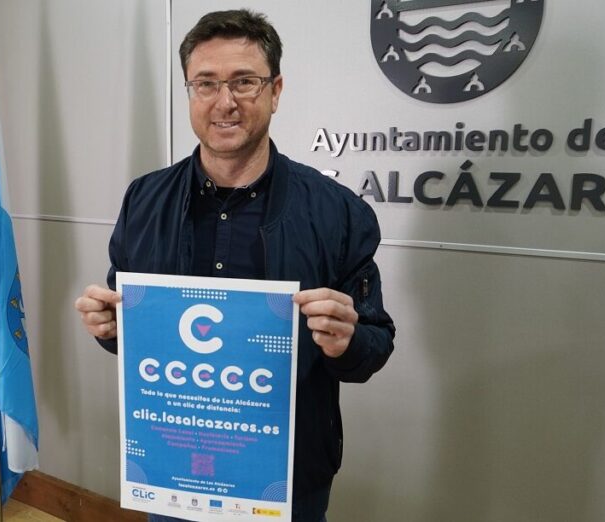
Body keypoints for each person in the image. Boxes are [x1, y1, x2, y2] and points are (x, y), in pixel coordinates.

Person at [74, 9, 395, 522]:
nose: (225, 102)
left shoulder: (337, 212)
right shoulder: (144, 199)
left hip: (287, 482)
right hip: (173, 474)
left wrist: (348, 341)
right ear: (189, 92)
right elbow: (132, 327)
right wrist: (109, 327)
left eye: (244, 82)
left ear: (275, 91)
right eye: (206, 84)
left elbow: (375, 342)